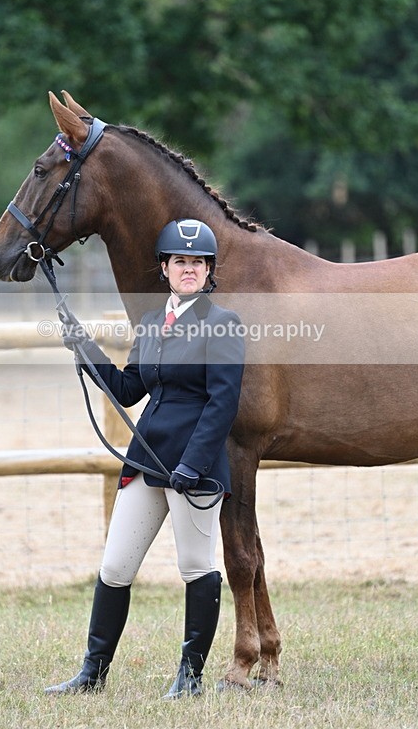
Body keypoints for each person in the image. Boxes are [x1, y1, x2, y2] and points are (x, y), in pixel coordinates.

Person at [44, 218, 244, 699]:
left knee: (196, 567)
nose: (189, 269)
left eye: (197, 262)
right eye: (181, 261)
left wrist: (193, 466)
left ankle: (189, 678)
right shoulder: (153, 323)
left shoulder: (224, 324)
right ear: (165, 268)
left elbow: (222, 404)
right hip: (147, 461)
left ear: (209, 270)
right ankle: (92, 674)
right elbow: (131, 389)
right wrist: (86, 348)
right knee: (115, 568)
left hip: (192, 468)